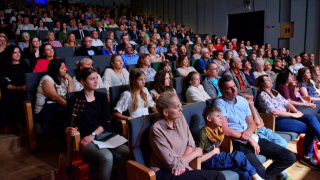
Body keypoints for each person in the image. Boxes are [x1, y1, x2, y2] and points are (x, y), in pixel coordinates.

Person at [215, 75, 296, 180]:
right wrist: (248, 138)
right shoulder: (220, 103)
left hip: (252, 137)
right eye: (229, 88)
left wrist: (249, 134)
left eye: (234, 86)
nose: (234, 90)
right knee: (259, 171)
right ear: (221, 90)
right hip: (235, 142)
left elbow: (251, 123)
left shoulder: (242, 100)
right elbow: (225, 130)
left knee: (289, 157)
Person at [65, 68, 129, 180]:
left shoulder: (102, 97)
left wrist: (93, 134)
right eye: (92, 79)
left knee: (125, 151)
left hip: (102, 134)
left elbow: (106, 120)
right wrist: (68, 129)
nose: (96, 81)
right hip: (85, 137)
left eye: (96, 78)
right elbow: (68, 122)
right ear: (82, 82)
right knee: (107, 157)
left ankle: (119, 177)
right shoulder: (75, 99)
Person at [149, 92, 226, 180]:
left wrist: (181, 163)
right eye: (176, 107)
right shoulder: (157, 130)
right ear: (165, 112)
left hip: (182, 167)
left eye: (180, 105)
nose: (181, 109)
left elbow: (191, 143)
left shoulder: (180, 117)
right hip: (164, 172)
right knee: (217, 176)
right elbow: (172, 164)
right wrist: (195, 153)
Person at [255, 75, 320, 170]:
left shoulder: (274, 92)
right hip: (278, 120)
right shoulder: (262, 96)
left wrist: (296, 111)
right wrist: (293, 115)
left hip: (288, 115)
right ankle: (306, 157)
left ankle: (307, 156)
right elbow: (274, 111)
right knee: (311, 128)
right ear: (261, 83)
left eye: (269, 78)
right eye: (266, 80)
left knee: (311, 118)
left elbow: (286, 103)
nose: (269, 80)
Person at [195, 106, 263, 180]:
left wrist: (220, 136)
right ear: (209, 118)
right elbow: (198, 159)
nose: (221, 118)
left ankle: (254, 177)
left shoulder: (217, 130)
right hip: (207, 161)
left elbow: (216, 145)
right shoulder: (203, 134)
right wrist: (214, 152)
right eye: (218, 116)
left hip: (216, 156)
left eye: (221, 116)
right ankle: (256, 177)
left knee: (244, 171)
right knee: (239, 155)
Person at [34, 59, 74, 132]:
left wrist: (70, 81)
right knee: (71, 117)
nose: (65, 69)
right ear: (55, 69)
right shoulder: (47, 79)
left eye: (65, 67)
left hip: (60, 108)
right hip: (45, 112)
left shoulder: (62, 78)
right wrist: (71, 107)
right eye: (62, 68)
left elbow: (70, 96)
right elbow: (54, 97)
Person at [0, 45, 30, 134]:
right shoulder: (4, 67)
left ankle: (28, 121)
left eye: (19, 52)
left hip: (24, 89)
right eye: (15, 52)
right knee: (14, 98)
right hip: (11, 90)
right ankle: (17, 122)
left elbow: (29, 78)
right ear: (10, 54)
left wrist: (25, 86)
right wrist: (17, 88)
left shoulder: (25, 65)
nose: (18, 54)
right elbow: (5, 83)